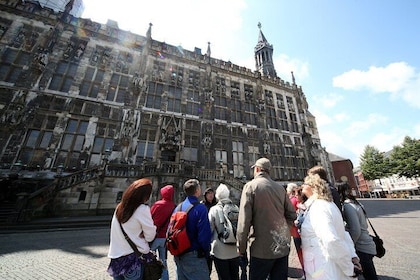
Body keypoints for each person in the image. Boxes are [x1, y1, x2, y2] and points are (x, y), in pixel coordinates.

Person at [236, 157, 297, 280]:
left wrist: (241, 248)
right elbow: (292, 214)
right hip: (281, 247)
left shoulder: (251, 186)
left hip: (261, 250)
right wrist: (283, 231)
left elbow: (244, 222)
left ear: (257, 169)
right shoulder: (280, 188)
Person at [299, 174, 362, 280]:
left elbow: (331, 239)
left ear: (313, 187)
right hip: (324, 267)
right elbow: (343, 234)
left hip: (326, 267)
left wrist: (349, 268)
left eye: (305, 183)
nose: (302, 186)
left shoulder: (319, 207)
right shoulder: (325, 204)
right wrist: (352, 256)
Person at [107, 178, 157, 280]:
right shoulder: (142, 209)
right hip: (133, 260)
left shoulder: (119, 208)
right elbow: (150, 236)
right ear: (145, 195)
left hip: (116, 258)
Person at [337, 181, 379, 280]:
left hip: (361, 246)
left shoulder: (348, 206)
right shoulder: (356, 203)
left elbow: (356, 230)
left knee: (369, 276)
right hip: (367, 243)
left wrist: (349, 246)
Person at [174, 178, 212, 280]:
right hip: (194, 255)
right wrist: (206, 252)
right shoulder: (200, 208)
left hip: (179, 255)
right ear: (197, 190)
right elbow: (204, 235)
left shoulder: (178, 208)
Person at [208, 183, 240, 280]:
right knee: (235, 276)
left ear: (217, 196)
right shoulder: (236, 208)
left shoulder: (214, 209)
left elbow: (209, 229)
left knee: (223, 277)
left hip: (220, 251)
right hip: (235, 250)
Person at [150, 184, 176, 280]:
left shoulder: (158, 204)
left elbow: (149, 218)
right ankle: (165, 278)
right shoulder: (174, 206)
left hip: (155, 236)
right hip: (165, 238)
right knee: (163, 260)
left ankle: (149, 276)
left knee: (149, 259)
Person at [288, 184, 305, 277]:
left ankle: (305, 272)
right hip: (297, 232)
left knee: (301, 253)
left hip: (297, 232)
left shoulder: (293, 201)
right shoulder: (298, 203)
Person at [201, 187, 217, 273]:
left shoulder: (217, 205)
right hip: (206, 235)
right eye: (208, 193)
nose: (210, 195)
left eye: (212, 193)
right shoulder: (202, 205)